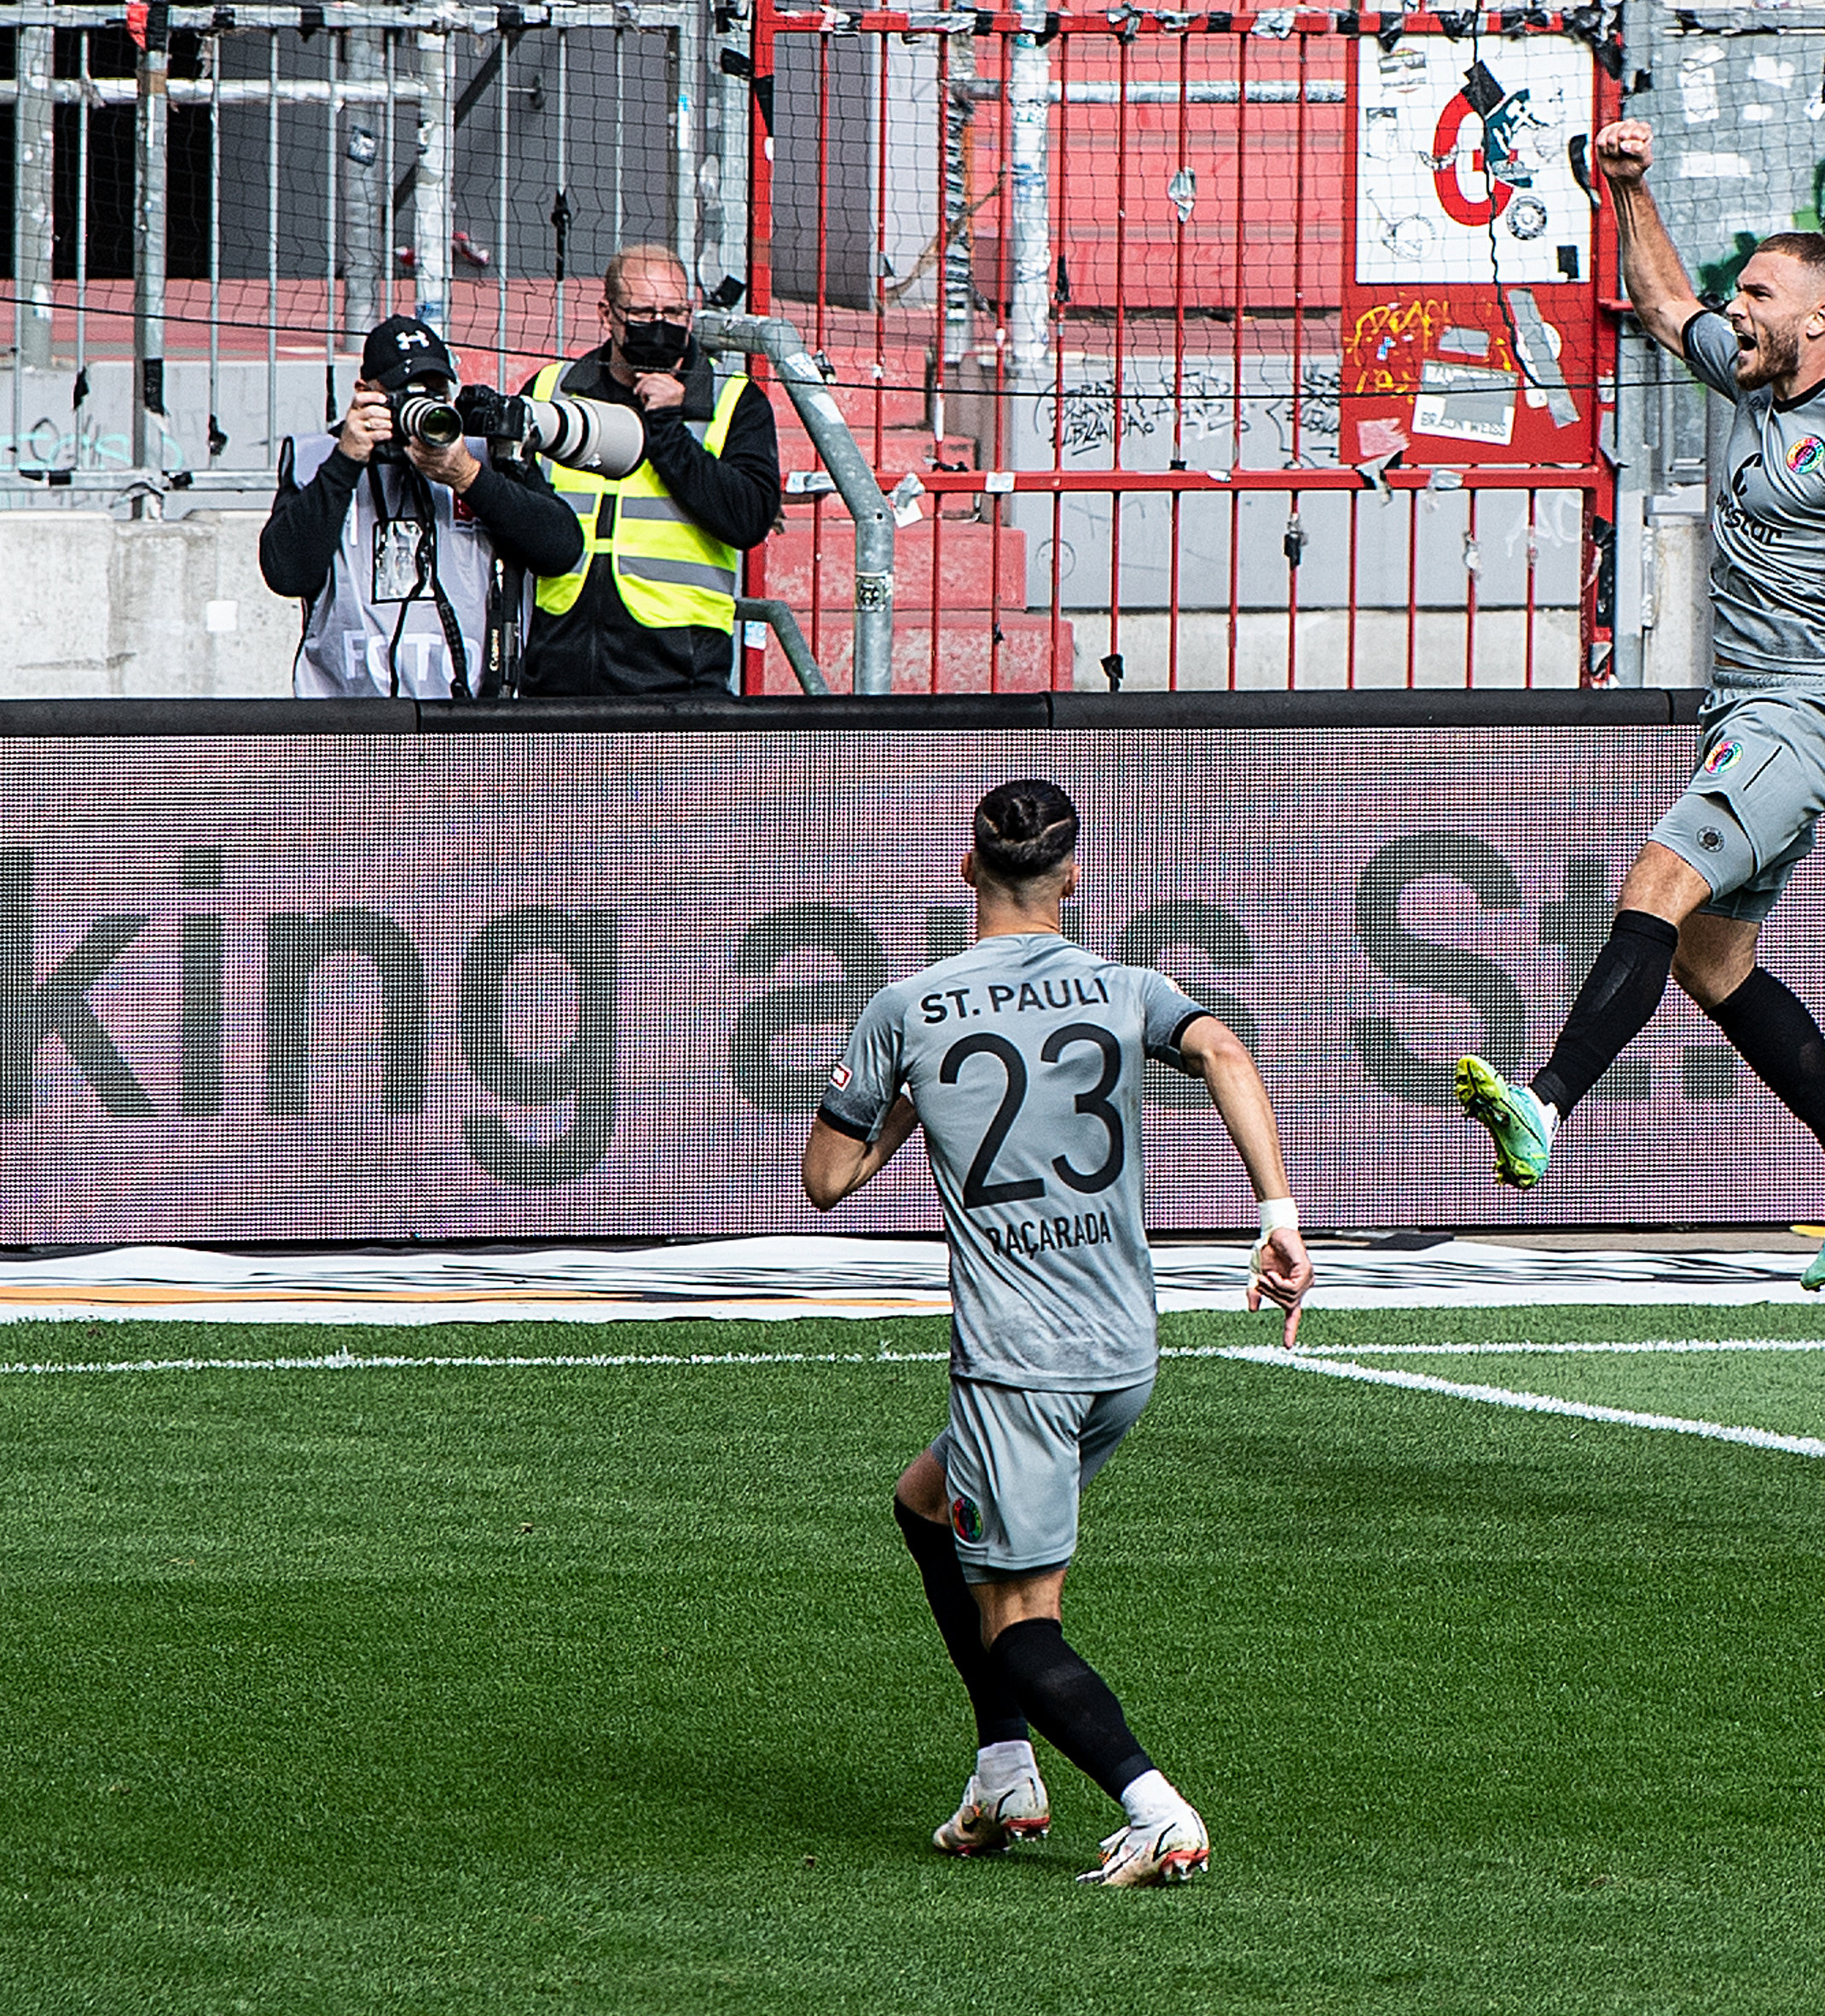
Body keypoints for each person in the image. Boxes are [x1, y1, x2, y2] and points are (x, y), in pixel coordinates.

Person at [1451, 115, 1825, 1291]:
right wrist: (1626, 189)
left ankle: (1544, 1104)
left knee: (1654, 882)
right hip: (1741, 711)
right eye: (1734, 290)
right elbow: (1653, 303)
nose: (1729, 306)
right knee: (1708, 958)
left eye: (1754, 292)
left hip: (1803, 715)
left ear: (1819, 319)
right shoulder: (1743, 375)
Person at [802, 779, 1314, 1886]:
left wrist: (910, 1099)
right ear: (1072, 876)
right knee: (924, 1501)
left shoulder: (908, 1007)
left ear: (964, 870)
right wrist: (1277, 1221)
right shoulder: (1126, 985)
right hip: (1123, 1348)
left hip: (1015, 1359)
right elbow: (1224, 1051)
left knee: (1019, 1623)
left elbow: (825, 1178)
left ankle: (1150, 1805)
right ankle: (1000, 1771)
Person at [258, 315, 582, 698]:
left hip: (469, 727)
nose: (423, 406)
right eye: (406, 393)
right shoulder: (319, 460)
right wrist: (346, 462)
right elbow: (285, 574)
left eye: (435, 391)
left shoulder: (482, 456)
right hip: (347, 728)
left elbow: (562, 550)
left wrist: (469, 479)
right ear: (365, 392)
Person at [517, 245, 782, 695]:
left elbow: (748, 519)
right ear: (608, 314)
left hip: (680, 679)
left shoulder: (734, 400)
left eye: (675, 312)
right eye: (642, 311)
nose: (660, 325)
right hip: (559, 669)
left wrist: (666, 427)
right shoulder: (551, 392)